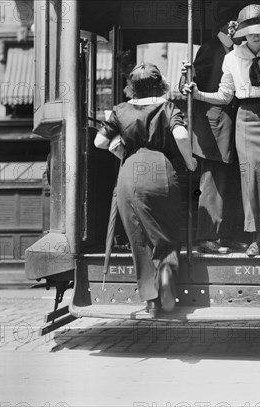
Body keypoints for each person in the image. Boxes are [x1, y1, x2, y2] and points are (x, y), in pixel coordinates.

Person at [184, 4, 260, 256]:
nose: (256, 36)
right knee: (251, 178)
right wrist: (198, 94)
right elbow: (224, 96)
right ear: (241, 32)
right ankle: (256, 238)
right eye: (250, 31)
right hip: (245, 118)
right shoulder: (231, 58)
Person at [94, 63, 197, 316]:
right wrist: (190, 161)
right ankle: (166, 274)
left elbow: (99, 142)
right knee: (166, 231)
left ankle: (151, 300)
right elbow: (182, 136)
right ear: (160, 83)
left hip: (130, 172)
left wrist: (120, 145)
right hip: (161, 169)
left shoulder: (120, 110)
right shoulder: (168, 106)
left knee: (138, 238)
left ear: (132, 87)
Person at [189, 5, 246, 255]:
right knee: (212, 181)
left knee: (229, 181)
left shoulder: (235, 51)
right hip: (213, 127)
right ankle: (207, 237)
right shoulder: (210, 49)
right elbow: (194, 88)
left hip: (231, 125)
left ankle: (225, 235)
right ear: (230, 25)